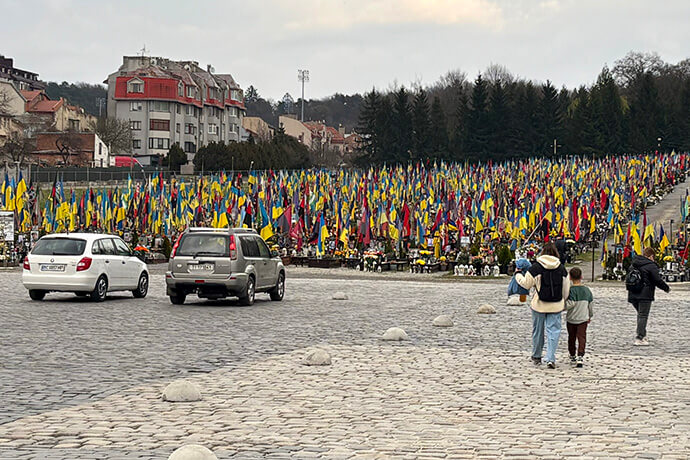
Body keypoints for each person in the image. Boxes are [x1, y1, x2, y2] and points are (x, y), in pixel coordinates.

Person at [516, 242, 570, 369]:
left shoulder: (536, 268)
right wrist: (563, 300)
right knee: (554, 332)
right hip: (556, 304)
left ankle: (537, 355)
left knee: (538, 330)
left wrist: (518, 275)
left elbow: (526, 284)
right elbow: (566, 289)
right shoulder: (561, 268)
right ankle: (550, 357)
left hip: (539, 304)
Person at [628, 247, 670, 346]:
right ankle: (640, 337)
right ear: (651, 256)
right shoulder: (651, 266)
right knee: (643, 315)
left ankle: (643, 334)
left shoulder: (634, 264)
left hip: (633, 293)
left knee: (641, 314)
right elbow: (657, 280)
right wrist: (666, 288)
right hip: (645, 294)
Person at [565, 267, 593, 368]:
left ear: (570, 277)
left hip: (571, 318)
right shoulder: (587, 290)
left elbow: (570, 304)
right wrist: (590, 315)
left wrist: (562, 306)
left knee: (571, 337)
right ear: (581, 276)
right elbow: (590, 304)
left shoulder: (570, 290)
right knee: (582, 337)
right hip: (583, 318)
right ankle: (580, 355)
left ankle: (572, 354)